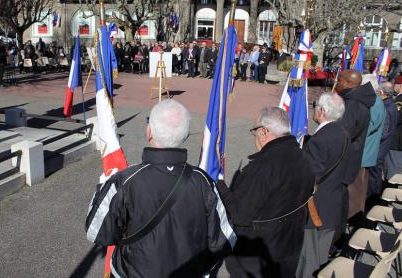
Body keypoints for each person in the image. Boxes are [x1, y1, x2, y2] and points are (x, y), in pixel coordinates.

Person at [86, 100, 236, 277]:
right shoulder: (204, 182)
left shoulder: (124, 181)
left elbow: (96, 232)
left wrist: (101, 190)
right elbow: (225, 240)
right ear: (186, 134)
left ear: (149, 132)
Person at [216, 107, 315, 278]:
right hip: (291, 245)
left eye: (255, 130)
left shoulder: (261, 168)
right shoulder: (304, 156)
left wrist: (221, 187)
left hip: (263, 253)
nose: (254, 135)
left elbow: (240, 215)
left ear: (264, 131)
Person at [296, 93, 350, 278]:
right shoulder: (342, 132)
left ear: (323, 111)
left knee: (308, 260)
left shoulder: (321, 140)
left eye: (315, 105)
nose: (313, 108)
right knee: (319, 259)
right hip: (331, 203)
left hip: (316, 208)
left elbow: (308, 177)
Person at [335, 69, 376, 219]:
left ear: (348, 83)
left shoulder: (354, 105)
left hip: (344, 162)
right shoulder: (353, 101)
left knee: (339, 205)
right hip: (347, 160)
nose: (337, 82)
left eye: (339, 80)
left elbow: (342, 134)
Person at [368, 81, 398, 196]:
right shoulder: (390, 104)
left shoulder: (386, 107)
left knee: (374, 175)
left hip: (379, 149)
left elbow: (383, 133)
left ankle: (374, 197)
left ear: (381, 92)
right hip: (382, 147)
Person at [360, 75, 385, 198]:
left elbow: (371, 125)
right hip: (365, 151)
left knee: (359, 188)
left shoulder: (375, 101)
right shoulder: (374, 100)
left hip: (365, 152)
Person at [385, 75, 402, 178]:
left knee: (394, 171)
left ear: (400, 85)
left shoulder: (400, 100)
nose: (393, 86)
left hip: (397, 140)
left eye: (395, 84)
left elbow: (396, 118)